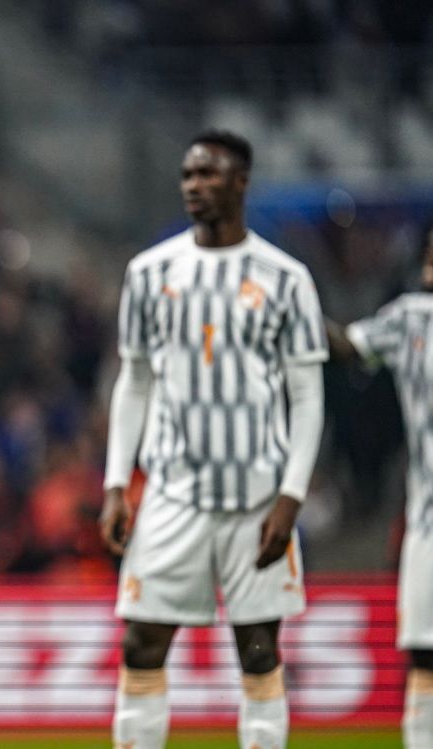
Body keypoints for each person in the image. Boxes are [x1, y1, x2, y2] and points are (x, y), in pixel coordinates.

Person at [100, 131, 327, 749]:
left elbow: (307, 396)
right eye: (188, 175)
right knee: (141, 643)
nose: (194, 186)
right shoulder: (150, 272)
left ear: (241, 182)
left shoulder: (287, 278)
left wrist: (291, 496)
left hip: (257, 496)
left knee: (258, 652)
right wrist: (118, 483)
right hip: (173, 495)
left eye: (208, 174)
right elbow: (135, 381)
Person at [327, 229, 433, 749]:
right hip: (429, 524)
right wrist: (296, 308)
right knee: (426, 658)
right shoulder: (412, 317)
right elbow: (348, 345)